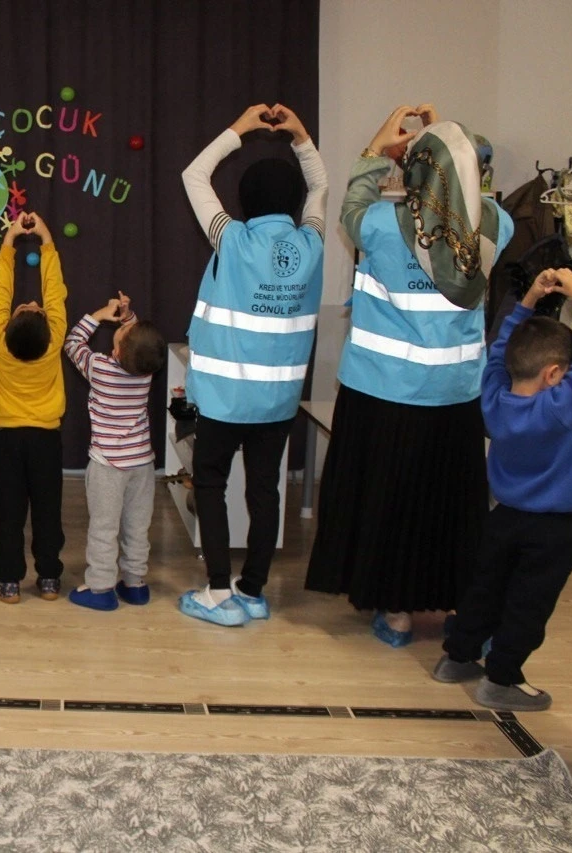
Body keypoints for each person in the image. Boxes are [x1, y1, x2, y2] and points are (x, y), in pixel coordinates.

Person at [305, 104, 515, 646]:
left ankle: (396, 615)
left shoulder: (380, 226)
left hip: (383, 393)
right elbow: (468, 188)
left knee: (390, 504)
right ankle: (461, 610)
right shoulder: (496, 226)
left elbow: (352, 203)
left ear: (415, 168)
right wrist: (449, 139)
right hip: (456, 397)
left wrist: (378, 148)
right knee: (451, 508)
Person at [176, 104, 327, 626]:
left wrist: (238, 129)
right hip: (278, 403)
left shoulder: (232, 238)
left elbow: (194, 175)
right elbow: (321, 187)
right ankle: (254, 591)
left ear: (244, 200)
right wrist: (301, 137)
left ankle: (219, 593)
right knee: (265, 491)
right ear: (293, 202)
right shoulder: (312, 244)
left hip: (224, 398)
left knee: (211, 485)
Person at [433, 268, 572, 711]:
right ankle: (501, 680)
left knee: (484, 590)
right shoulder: (559, 408)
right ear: (554, 373)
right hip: (551, 532)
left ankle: (457, 659)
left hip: (501, 519)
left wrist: (526, 302)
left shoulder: (493, 399)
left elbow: (499, 351)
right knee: (528, 606)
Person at [64, 292, 166, 610]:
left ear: (117, 351)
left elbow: (73, 343)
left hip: (107, 465)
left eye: (121, 332)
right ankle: (134, 584)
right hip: (142, 465)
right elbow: (142, 344)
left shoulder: (100, 368)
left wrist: (99, 315)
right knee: (137, 526)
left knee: (103, 528)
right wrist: (127, 315)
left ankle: (100, 588)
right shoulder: (146, 371)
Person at [0, 212, 68, 604]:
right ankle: (49, 579)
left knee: (10, 513)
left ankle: (9, 583)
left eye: (27, 307)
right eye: (35, 308)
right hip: (47, 441)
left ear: (8, 325)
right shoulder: (54, 342)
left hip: (9, 442)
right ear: (49, 327)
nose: (33, 301)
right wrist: (46, 239)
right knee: (48, 510)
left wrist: (9, 242)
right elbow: (55, 292)